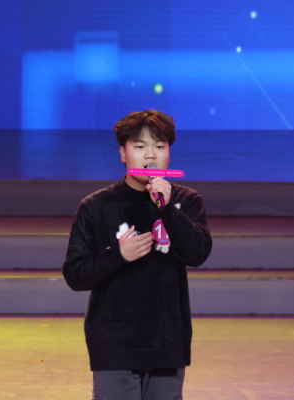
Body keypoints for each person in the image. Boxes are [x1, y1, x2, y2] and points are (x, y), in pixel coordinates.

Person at [63, 110, 212, 400]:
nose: (150, 155)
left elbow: (197, 254)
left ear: (169, 152)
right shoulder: (96, 206)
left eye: (159, 146)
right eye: (140, 146)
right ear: (123, 153)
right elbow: (75, 275)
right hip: (114, 342)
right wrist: (118, 254)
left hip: (167, 339)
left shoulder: (185, 200)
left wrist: (166, 209)